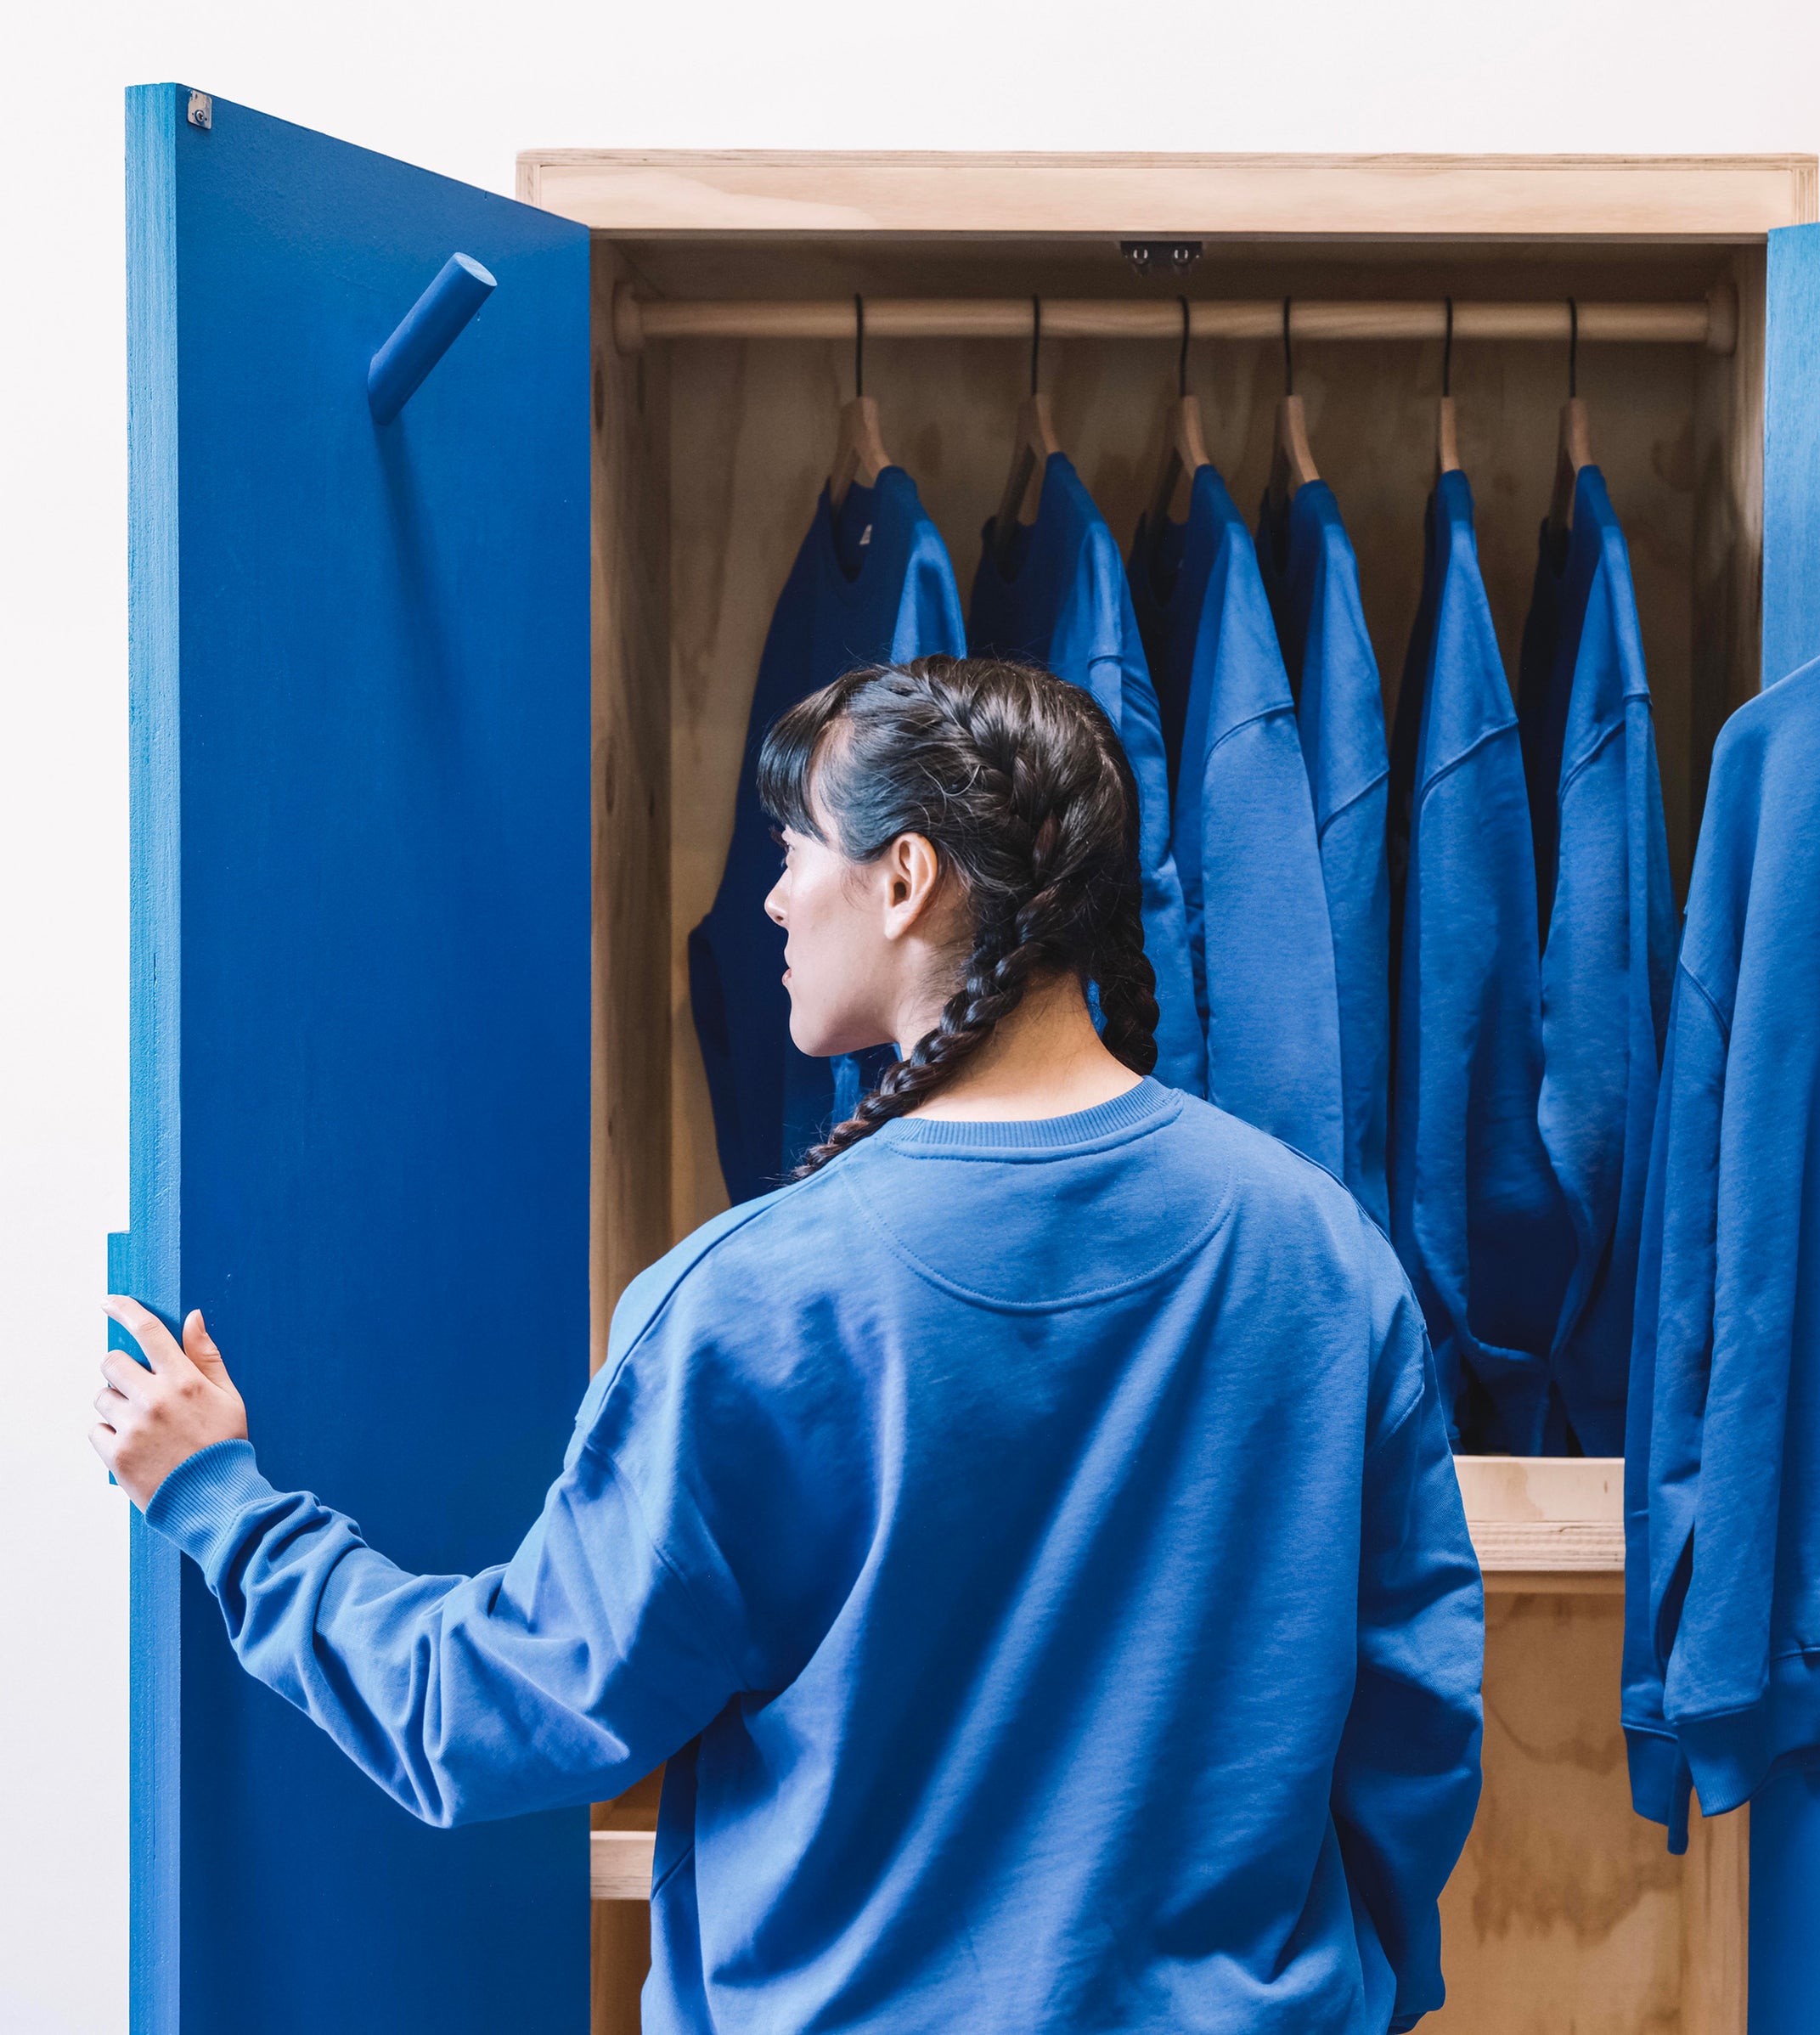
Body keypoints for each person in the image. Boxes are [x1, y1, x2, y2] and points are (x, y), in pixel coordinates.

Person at [93, 655, 1485, 2032]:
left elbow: (488, 1713)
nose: (770, 898)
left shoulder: (748, 1300)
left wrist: (225, 1505)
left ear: (906, 879)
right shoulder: (1327, 1259)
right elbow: (1415, 1729)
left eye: (795, 845)